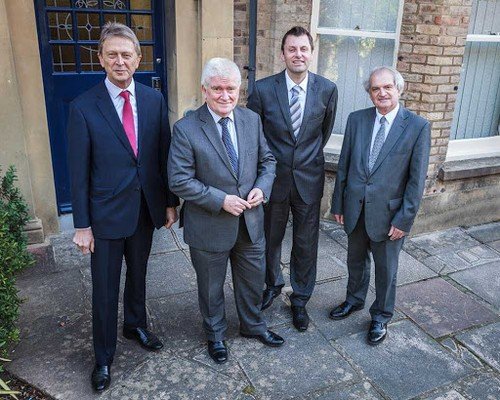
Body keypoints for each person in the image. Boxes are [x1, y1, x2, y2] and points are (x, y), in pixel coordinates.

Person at [68, 22, 179, 391]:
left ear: (138, 58)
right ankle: (103, 357)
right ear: (101, 59)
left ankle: (135, 325)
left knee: (139, 274)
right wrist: (82, 225)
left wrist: (169, 203)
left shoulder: (153, 100)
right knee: (104, 288)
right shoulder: (83, 107)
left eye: (126, 55)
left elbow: (162, 155)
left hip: (145, 208)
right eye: (112, 54)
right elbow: (78, 173)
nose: (120, 61)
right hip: (104, 216)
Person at [168, 57, 284, 365]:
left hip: (250, 221)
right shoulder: (186, 129)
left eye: (231, 89)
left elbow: (268, 161)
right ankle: (216, 334)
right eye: (217, 89)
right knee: (211, 287)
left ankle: (253, 325)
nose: (225, 95)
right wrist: (220, 200)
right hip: (209, 224)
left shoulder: (251, 120)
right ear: (204, 90)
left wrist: (262, 187)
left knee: (252, 280)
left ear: (239, 89)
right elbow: (179, 180)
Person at [330, 66, 430, 345]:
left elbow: (416, 180)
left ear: (399, 89)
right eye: (376, 89)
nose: (382, 93)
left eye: (388, 87)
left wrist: (404, 219)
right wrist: (338, 203)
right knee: (355, 260)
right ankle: (354, 300)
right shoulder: (356, 120)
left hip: (390, 215)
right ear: (370, 93)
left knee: (386, 269)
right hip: (355, 208)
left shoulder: (417, 126)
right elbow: (344, 165)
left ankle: (381, 316)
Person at [247, 26, 338, 331]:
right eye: (292, 49)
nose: (298, 54)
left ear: (311, 52)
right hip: (273, 181)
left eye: (303, 49)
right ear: (283, 53)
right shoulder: (262, 90)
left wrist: (304, 159)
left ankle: (300, 299)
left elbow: (323, 133)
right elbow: (254, 137)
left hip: (309, 180)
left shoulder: (327, 89)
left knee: (305, 243)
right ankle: (272, 284)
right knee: (269, 239)